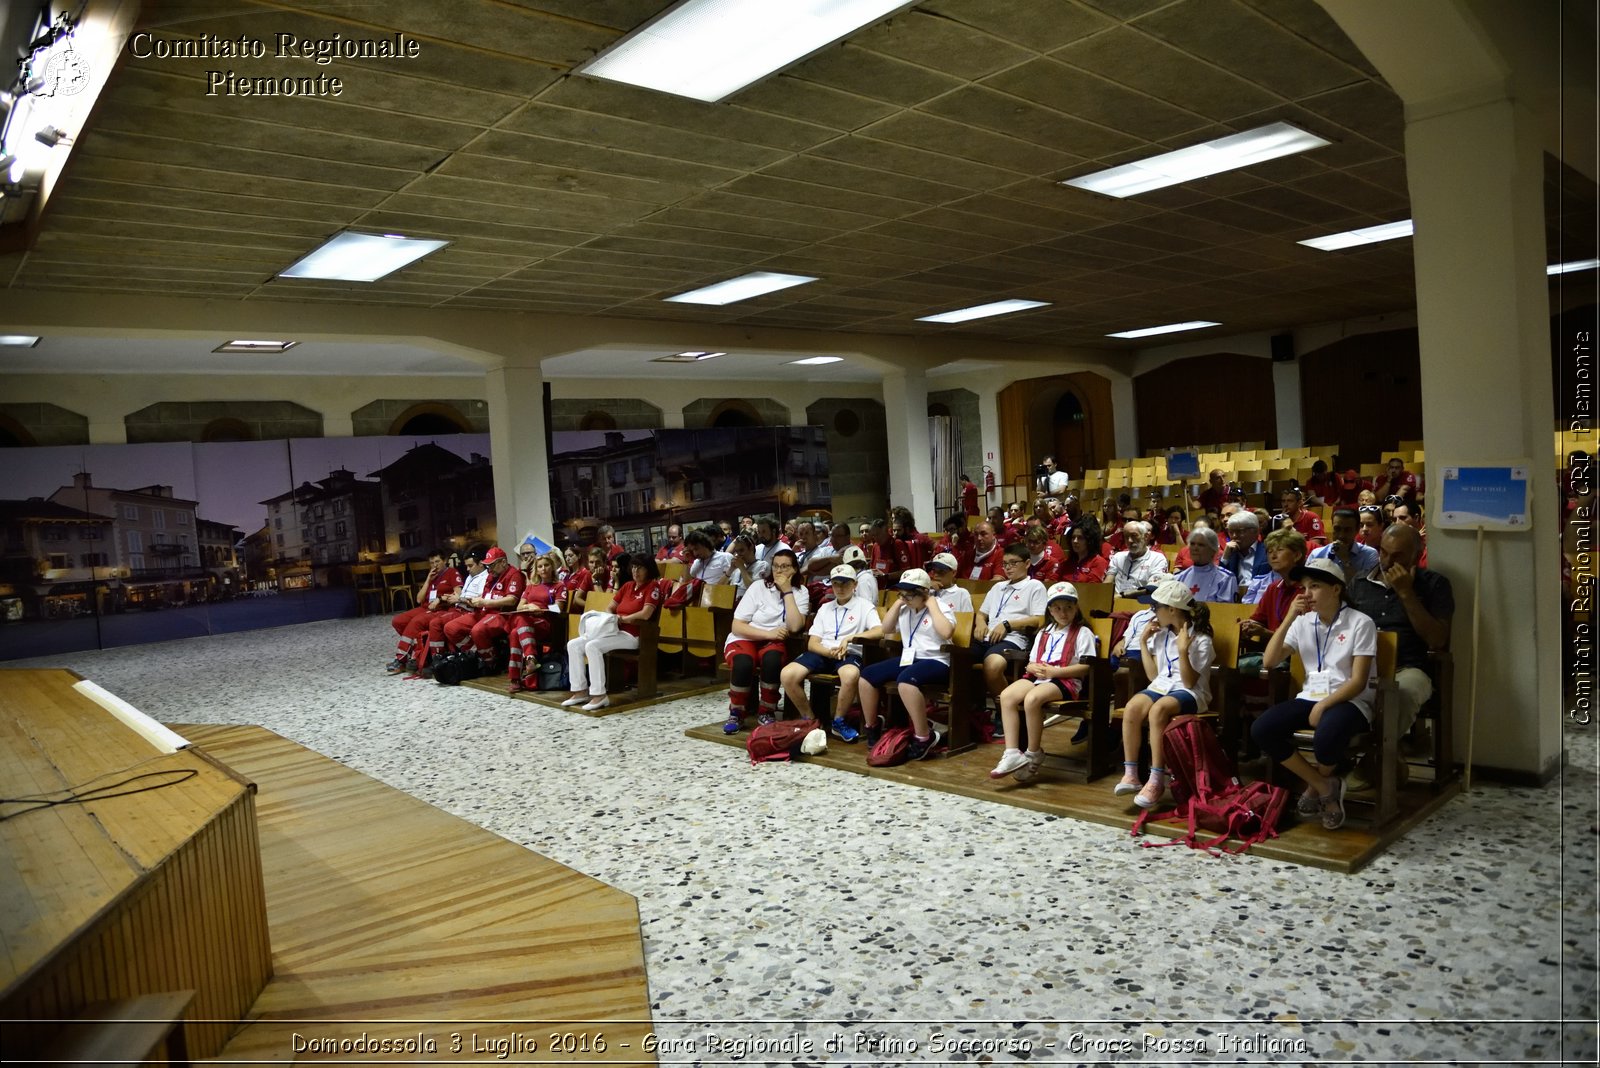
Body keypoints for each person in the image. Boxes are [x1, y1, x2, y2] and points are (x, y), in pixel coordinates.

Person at [1251, 557, 1378, 831]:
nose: (1306, 594)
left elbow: (1357, 681)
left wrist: (1324, 706)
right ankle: (1323, 785)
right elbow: (1269, 661)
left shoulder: (1360, 623)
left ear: (1336, 589)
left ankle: (1314, 788)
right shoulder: (1303, 622)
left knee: (1326, 736)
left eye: (1315, 586)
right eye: (1304, 587)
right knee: (1263, 729)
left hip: (1350, 700)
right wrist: (1288, 618)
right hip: (1310, 697)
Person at [1114, 580, 1215, 809]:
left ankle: (1156, 778)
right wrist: (1142, 642)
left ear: (1172, 609)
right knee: (1133, 707)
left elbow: (1189, 682)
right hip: (1162, 687)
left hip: (1191, 693)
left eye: (1156, 607)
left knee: (1158, 710)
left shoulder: (1201, 639)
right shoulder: (1160, 635)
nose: (1153, 612)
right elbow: (1153, 677)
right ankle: (1131, 773)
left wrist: (1182, 650)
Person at [1347, 523, 1453, 737]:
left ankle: (1376, 757)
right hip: (1362, 666)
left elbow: (1437, 639)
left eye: (1397, 556)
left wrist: (1405, 592)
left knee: (1401, 694)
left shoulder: (1434, 584)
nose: (1387, 562)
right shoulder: (1359, 582)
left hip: (1408, 668)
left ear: (1417, 555)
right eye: (1383, 553)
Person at [988, 582, 1097, 783]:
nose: (1063, 613)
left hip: (1066, 680)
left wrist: (1057, 671)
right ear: (1050, 610)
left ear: (1076, 608)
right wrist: (1030, 667)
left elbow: (1087, 666)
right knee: (1007, 696)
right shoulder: (1045, 631)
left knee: (1032, 699)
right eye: (1057, 608)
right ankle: (1012, 752)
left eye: (1068, 608)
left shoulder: (1083, 633)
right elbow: (1032, 660)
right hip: (1039, 676)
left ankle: (1033, 752)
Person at [858, 568, 955, 760]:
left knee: (906, 682)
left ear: (924, 592)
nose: (906, 598)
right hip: (910, 658)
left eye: (911, 594)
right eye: (903, 593)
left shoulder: (940, 607)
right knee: (867, 676)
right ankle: (873, 726)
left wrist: (932, 605)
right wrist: (897, 604)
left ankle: (923, 736)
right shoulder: (904, 608)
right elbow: (886, 630)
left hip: (937, 660)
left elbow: (947, 633)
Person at [780, 564, 883, 741]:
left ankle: (838, 721)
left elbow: (878, 631)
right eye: (836, 583)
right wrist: (829, 652)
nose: (840, 588)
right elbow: (813, 643)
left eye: (845, 583)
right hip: (824, 652)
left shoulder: (864, 606)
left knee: (850, 675)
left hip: (848, 653)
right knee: (787, 674)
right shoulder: (825, 608)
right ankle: (810, 719)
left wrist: (850, 638)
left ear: (855, 585)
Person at [560, 556, 664, 712]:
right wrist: (611, 618)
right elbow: (610, 608)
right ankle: (579, 691)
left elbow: (646, 614)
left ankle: (599, 695)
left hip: (633, 635)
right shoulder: (627, 586)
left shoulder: (653, 587)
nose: (636, 571)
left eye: (640, 568)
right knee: (573, 644)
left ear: (649, 569)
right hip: (614, 630)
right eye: (634, 567)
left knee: (593, 646)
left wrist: (624, 619)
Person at [721, 548, 807, 733]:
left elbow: (794, 627)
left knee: (772, 660)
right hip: (746, 637)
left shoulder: (801, 592)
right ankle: (736, 712)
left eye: (785, 567)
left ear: (795, 570)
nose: (779, 571)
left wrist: (787, 592)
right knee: (743, 663)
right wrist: (769, 634)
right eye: (775, 566)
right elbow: (737, 626)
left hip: (774, 642)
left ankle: (767, 710)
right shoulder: (758, 586)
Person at [971, 542, 1047, 710]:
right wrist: (980, 624)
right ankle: (973, 713)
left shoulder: (1034, 586)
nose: (1008, 568)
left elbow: (1040, 620)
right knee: (958, 659)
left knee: (993, 665)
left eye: (1013, 563)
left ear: (1027, 563)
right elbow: (982, 614)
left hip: (1013, 639)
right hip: (987, 637)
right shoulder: (998, 587)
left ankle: (1005, 712)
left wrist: (1008, 624)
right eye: (1005, 564)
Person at [443, 545, 526, 674]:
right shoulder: (491, 575)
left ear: (503, 562)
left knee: (478, 631)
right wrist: (474, 600)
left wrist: (485, 602)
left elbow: (512, 600)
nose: (489, 569)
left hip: (502, 614)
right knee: (451, 628)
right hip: (483, 611)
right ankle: (477, 654)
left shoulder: (514, 575)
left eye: (492, 565)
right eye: (487, 565)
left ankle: (491, 663)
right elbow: (485, 595)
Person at [417, 548, 490, 676]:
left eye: (470, 566)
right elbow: (419, 599)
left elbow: (479, 601)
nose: (467, 569)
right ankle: (437, 658)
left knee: (446, 626)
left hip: (471, 611)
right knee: (435, 622)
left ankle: (474, 653)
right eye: (466, 566)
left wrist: (459, 599)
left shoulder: (485, 578)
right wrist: (446, 598)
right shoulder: (470, 577)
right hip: (459, 608)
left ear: (481, 564)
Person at [388, 549, 461, 674]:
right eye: (431, 563)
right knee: (398, 621)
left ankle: (400, 660)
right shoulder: (432, 576)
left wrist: (440, 599)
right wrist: (428, 579)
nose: (434, 565)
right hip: (426, 607)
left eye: (437, 562)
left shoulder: (452, 573)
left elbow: (458, 594)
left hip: (442, 609)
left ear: (444, 561)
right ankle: (418, 651)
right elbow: (418, 599)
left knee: (416, 622)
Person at [507, 552, 565, 694]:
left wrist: (541, 609)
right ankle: (530, 661)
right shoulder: (531, 587)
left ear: (552, 567)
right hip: (527, 623)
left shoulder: (559, 585)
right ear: (536, 569)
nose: (543, 569)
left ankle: (516, 678)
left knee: (518, 628)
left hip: (545, 623)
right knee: (517, 629)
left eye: (546, 565)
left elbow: (558, 608)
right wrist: (529, 607)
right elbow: (519, 607)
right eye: (540, 566)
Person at [1309, 507, 1379, 581]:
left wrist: (1345, 560)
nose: (1341, 535)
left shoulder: (1369, 554)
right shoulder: (1317, 554)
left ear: (1357, 529)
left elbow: (1363, 589)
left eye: (1347, 530)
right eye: (1337, 529)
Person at [1173, 526, 1237, 602]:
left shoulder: (1225, 578)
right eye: (1192, 544)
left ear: (1213, 550)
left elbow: (1224, 610)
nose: (1195, 548)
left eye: (1201, 545)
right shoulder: (1180, 577)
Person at [1107, 520, 1168, 596]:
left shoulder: (1158, 559)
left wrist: (1124, 595)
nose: (1129, 540)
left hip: (1142, 603)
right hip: (1115, 601)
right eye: (1126, 537)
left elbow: (1153, 588)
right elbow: (1108, 582)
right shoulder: (1118, 557)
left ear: (1145, 536)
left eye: (1134, 535)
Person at [1392, 500, 1429, 568]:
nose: (1397, 523)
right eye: (1394, 519)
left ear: (1416, 518)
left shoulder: (1430, 540)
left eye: (1402, 518)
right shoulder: (1394, 538)